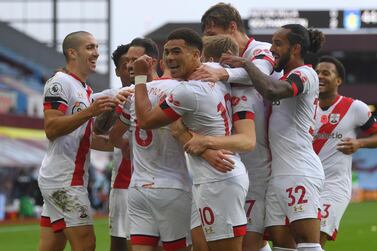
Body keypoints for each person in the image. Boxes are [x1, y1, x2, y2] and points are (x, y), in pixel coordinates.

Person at [131, 28, 254, 251]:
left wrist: (140, 78)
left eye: (177, 51)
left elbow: (146, 120)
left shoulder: (188, 92)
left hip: (218, 180)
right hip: (211, 176)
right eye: (167, 52)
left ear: (197, 54)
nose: (169, 58)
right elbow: (245, 74)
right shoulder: (215, 71)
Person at [221, 24, 326, 251]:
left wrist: (248, 64)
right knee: (282, 245)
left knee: (308, 244)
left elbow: (272, 90)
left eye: (278, 43)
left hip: (300, 170)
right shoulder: (286, 75)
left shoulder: (305, 74)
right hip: (278, 174)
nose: (272, 48)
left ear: (295, 48)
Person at [189, 4, 280, 251]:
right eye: (206, 36)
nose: (210, 40)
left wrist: (220, 73)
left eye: (213, 33)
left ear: (231, 27)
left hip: (258, 161)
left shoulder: (261, 50)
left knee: (250, 242)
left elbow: (259, 74)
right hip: (221, 161)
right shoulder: (209, 68)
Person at [110, 37, 194, 251]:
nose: (130, 65)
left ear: (153, 61)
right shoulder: (179, 89)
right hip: (172, 186)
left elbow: (114, 136)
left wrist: (127, 148)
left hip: (139, 188)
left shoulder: (133, 97)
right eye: (128, 60)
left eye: (135, 60)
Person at [38, 31, 116, 251]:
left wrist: (120, 144)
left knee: (51, 246)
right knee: (86, 243)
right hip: (64, 180)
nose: (96, 53)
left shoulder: (83, 88)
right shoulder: (60, 82)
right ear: (72, 53)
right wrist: (90, 112)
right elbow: (51, 128)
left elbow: (83, 137)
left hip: (63, 178)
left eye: (97, 47)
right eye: (90, 47)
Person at [313, 56, 377, 248]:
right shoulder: (304, 107)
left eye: (326, 72)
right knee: (293, 241)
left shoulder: (355, 107)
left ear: (339, 80)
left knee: (314, 240)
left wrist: (359, 143)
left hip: (334, 185)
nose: (320, 76)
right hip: (305, 182)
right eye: (317, 73)